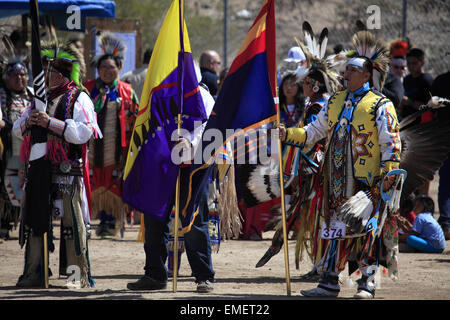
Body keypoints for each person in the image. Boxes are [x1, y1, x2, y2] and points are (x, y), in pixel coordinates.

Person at [279, 30, 401, 298]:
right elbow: (312, 133)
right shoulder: (335, 101)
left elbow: (390, 144)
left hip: (366, 183)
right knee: (335, 232)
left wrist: (386, 179)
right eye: (346, 70)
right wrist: (287, 133)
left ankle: (367, 284)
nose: (347, 74)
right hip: (334, 181)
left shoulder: (380, 105)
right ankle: (329, 283)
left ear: (367, 75)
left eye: (354, 71)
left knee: (367, 234)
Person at [13, 42, 100, 288]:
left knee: (72, 223)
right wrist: (29, 120)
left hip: (68, 170)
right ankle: (35, 273)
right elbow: (18, 130)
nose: (40, 78)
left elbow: (84, 133)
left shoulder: (78, 97)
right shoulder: (39, 99)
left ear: (58, 75)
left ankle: (75, 276)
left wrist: (50, 122)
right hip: (40, 167)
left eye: (46, 74)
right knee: (36, 218)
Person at [127, 85, 216, 293]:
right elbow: (147, 122)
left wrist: (190, 141)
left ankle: (203, 276)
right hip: (162, 164)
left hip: (193, 165)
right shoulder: (158, 91)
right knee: (154, 219)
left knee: (193, 220)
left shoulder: (201, 95)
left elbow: (211, 127)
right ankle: (155, 274)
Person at [84, 32, 139, 239]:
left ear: (119, 69)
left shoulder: (127, 91)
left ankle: (111, 222)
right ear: (98, 70)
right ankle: (91, 222)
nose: (107, 71)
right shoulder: (88, 88)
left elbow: (135, 117)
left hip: (117, 150)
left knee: (114, 184)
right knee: (92, 182)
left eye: (112, 67)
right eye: (103, 67)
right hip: (91, 147)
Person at [0, 41, 33, 241]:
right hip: (6, 148)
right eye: (15, 75)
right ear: (7, 77)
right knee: (6, 183)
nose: (20, 79)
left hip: (28, 149)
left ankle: (20, 221)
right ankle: (3, 221)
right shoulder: (2, 95)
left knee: (23, 183)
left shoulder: (33, 94)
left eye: (23, 75)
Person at [432, 70, 450, 240]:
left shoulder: (442, 80)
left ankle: (446, 221)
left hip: (443, 136)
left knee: (445, 181)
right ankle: (446, 222)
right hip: (445, 137)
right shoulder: (442, 80)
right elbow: (432, 104)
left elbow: (433, 104)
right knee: (445, 180)